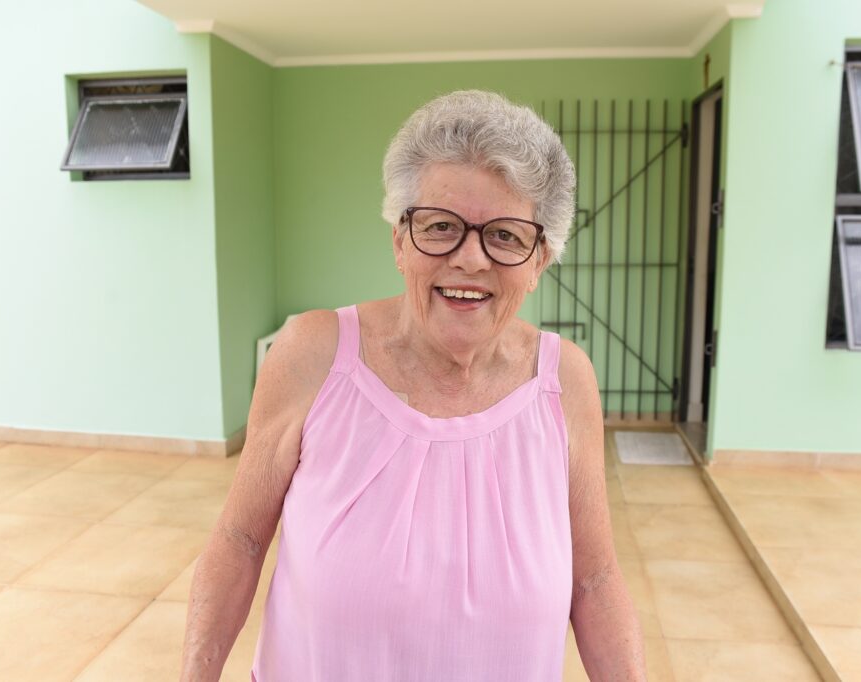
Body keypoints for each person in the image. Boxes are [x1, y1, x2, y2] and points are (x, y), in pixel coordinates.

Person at [180, 90, 645, 681]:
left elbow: (595, 579)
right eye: (441, 226)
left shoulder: (565, 380)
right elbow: (241, 540)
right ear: (400, 241)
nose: (470, 259)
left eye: (504, 235)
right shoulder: (313, 355)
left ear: (539, 259)